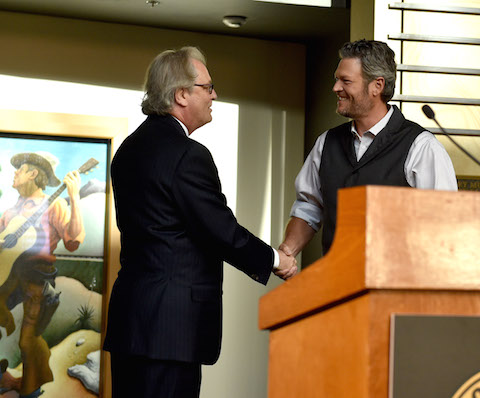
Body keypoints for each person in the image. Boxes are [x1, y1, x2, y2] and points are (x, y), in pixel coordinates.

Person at [102, 46, 297, 398]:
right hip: (170, 329)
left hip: (132, 322)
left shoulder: (128, 149)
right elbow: (220, 231)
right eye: (207, 87)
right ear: (181, 95)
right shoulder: (188, 154)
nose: (214, 95)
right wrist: (276, 260)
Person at [280, 39, 458, 258]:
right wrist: (286, 253)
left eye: (346, 81)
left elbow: (444, 225)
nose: (336, 88)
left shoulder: (421, 146)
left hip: (395, 286)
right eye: (336, 80)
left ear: (377, 85)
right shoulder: (326, 143)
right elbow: (309, 207)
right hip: (336, 283)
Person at [0, 151, 84, 398]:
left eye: (20, 169)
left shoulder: (54, 204)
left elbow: (73, 241)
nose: (15, 173)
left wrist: (75, 198)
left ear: (33, 173)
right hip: (7, 277)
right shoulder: (12, 209)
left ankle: (31, 388)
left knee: (28, 340)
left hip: (38, 279)